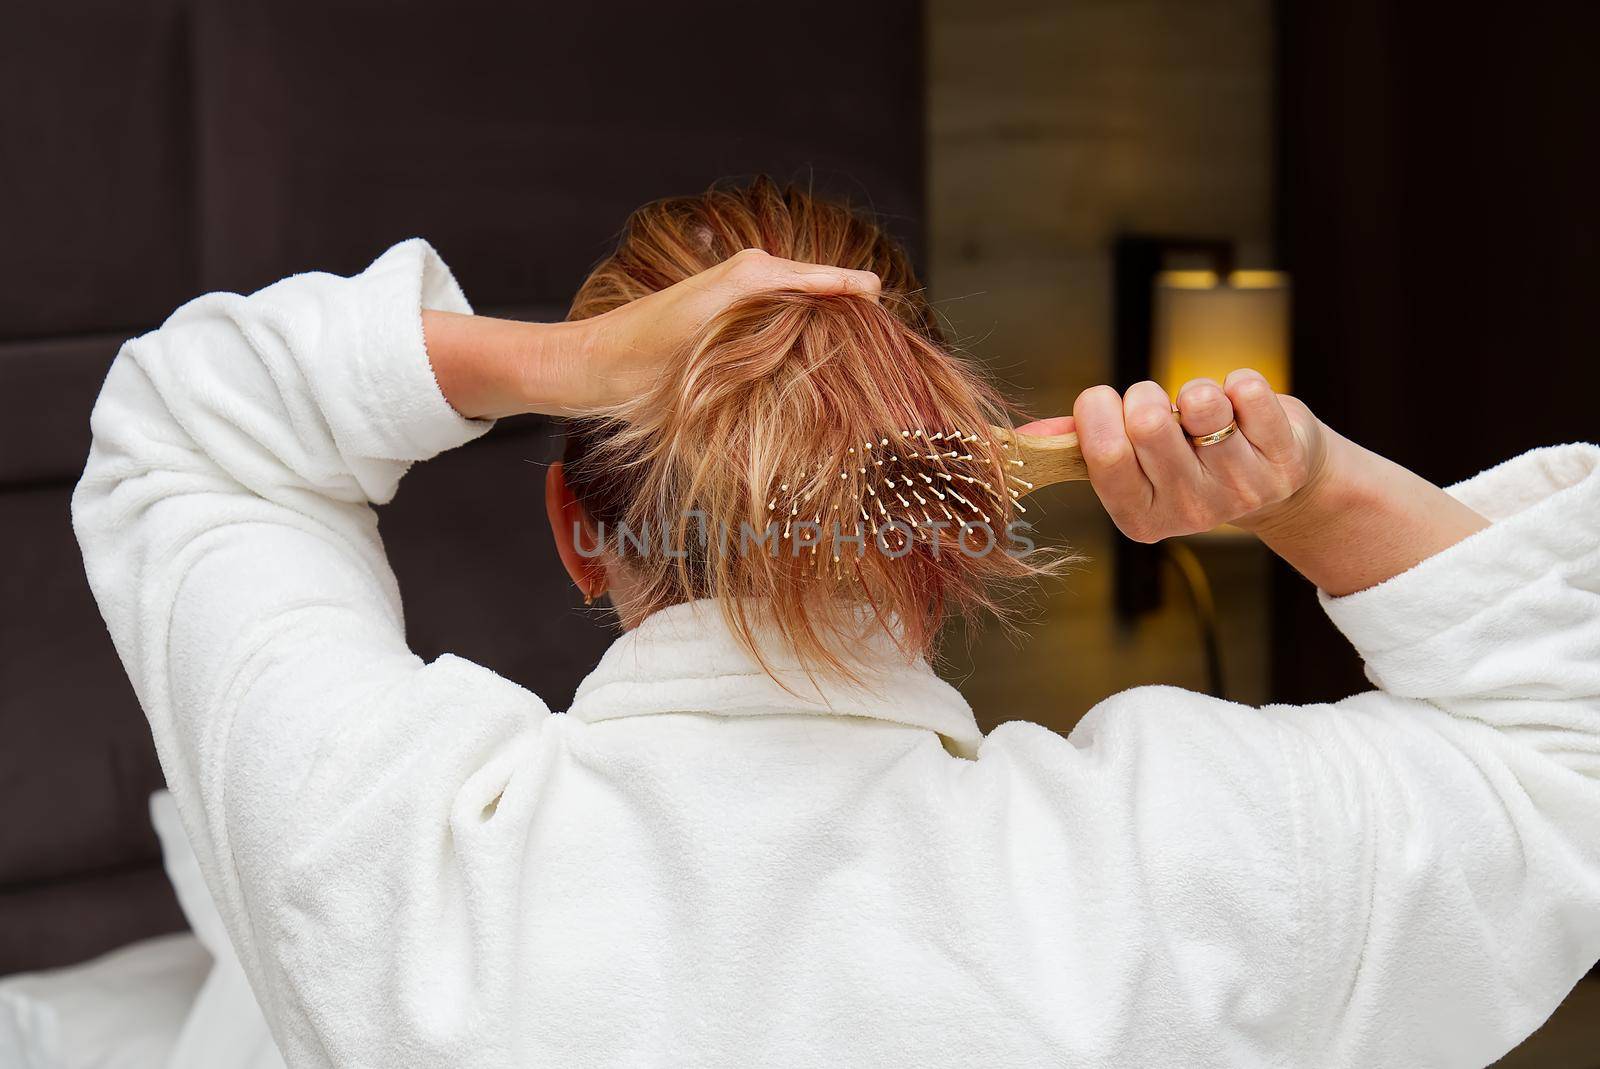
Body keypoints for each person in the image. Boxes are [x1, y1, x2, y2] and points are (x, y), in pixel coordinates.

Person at [74, 179, 1600, 1068]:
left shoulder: (385, 863)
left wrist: (557, 360)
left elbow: (189, 426)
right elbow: (1566, 749)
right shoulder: (1172, 875)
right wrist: (1312, 488)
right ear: (951, 530)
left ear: (576, 533)